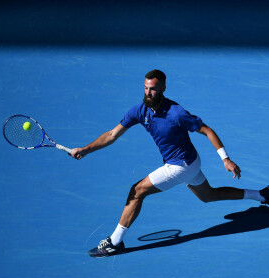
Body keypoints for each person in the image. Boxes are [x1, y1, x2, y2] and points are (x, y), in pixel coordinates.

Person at [70, 69, 269, 258]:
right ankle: (261, 195)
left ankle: (115, 243)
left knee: (137, 191)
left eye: (153, 89)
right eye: (146, 88)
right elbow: (112, 134)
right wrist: (86, 149)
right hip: (189, 164)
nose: (148, 93)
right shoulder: (139, 110)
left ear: (163, 88)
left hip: (181, 165)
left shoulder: (177, 113)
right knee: (209, 196)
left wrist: (225, 158)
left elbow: (207, 130)